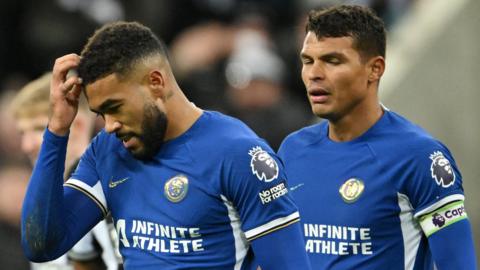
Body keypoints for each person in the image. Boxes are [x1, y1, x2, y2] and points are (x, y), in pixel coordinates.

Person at [20, 21, 311, 270]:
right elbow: (41, 244)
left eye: (115, 107)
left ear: (156, 82)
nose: (109, 125)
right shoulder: (108, 151)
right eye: (101, 114)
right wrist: (57, 129)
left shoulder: (238, 154)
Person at [278, 5, 477, 270]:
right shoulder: (292, 150)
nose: (314, 74)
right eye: (308, 61)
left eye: (332, 61)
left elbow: (459, 264)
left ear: (375, 69)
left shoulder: (420, 158)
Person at [11, 73, 121, 270]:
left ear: (76, 124)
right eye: (22, 133)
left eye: (37, 128)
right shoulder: (41, 201)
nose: (27, 146)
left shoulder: (110, 182)